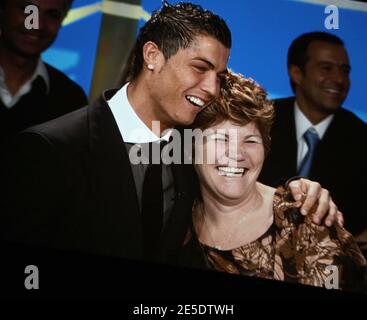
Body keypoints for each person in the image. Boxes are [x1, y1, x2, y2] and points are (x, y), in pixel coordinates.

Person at [1, 2, 342, 265]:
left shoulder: (196, 145)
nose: (210, 88)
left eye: (219, 75)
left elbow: (240, 179)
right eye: (200, 68)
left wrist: (300, 191)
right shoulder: (49, 150)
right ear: (152, 56)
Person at [180, 71, 366, 291]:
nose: (237, 154)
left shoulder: (307, 220)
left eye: (250, 140)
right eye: (221, 138)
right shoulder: (174, 220)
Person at [258, 32, 367, 238]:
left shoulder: (362, 138)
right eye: (326, 68)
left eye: (344, 71)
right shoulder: (260, 121)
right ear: (296, 73)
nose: (339, 79)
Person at [0, 0, 88, 144]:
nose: (37, 24)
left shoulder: (70, 101)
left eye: (52, 15)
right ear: (2, 9)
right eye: (29, 10)